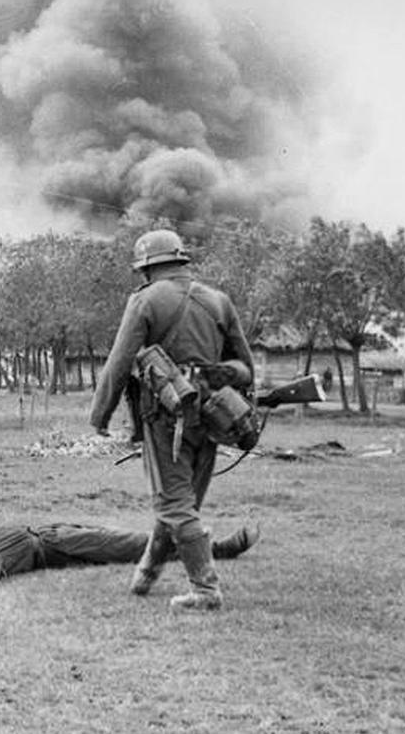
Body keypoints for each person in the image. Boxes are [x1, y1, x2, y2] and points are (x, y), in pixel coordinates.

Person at [89, 229, 255, 612]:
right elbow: (245, 368)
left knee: (175, 502)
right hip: (215, 417)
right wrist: (213, 379)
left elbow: (118, 362)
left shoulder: (146, 300)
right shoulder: (219, 301)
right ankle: (146, 575)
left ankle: (206, 590)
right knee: (181, 501)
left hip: (165, 418)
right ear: (180, 261)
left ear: (148, 268)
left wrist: (100, 415)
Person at [0, 521, 259, 593]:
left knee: (133, 541)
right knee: (136, 544)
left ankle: (206, 548)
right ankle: (219, 550)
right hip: (64, 546)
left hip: (57, 532)